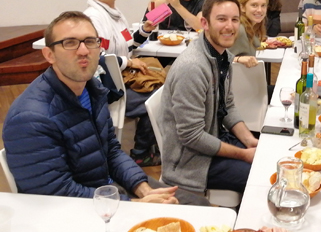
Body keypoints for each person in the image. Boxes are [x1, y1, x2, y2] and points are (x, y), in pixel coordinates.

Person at [2, 11, 209, 205]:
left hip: (106, 190)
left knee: (200, 205)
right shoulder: (31, 118)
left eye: (90, 41)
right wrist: (134, 205)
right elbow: (56, 195)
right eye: (70, 43)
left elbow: (110, 150)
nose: (83, 51)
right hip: (76, 213)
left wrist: (142, 188)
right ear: (49, 55)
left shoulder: (93, 90)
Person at [158, 0, 259, 194]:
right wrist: (244, 154)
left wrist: (251, 142)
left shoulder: (223, 57)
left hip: (212, 141)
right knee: (261, 179)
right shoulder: (192, 67)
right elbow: (192, 136)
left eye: (234, 20)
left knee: (270, 159)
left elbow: (228, 106)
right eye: (221, 19)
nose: (229, 27)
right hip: (190, 164)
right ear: (204, 23)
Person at [83, 0, 160, 167]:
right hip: (107, 88)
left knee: (162, 89)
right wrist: (129, 62)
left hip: (122, 76)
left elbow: (128, 45)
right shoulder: (93, 17)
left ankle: (151, 145)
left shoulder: (116, 15)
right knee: (156, 98)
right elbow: (98, 55)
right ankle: (142, 153)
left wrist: (144, 30)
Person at [229, 0, 267, 68]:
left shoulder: (252, 27)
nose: (260, 10)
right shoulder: (240, 29)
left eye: (263, 5)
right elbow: (218, 58)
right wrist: (237, 59)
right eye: (254, 5)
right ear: (242, 7)